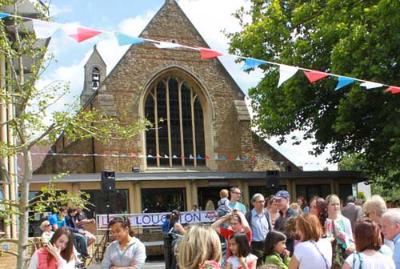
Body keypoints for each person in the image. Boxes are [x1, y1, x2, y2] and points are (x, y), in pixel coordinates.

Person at [325, 194, 354, 268]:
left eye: (337, 204)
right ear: (327, 206)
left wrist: (350, 245)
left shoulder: (345, 221)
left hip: (343, 255)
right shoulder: (325, 221)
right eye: (333, 204)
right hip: (328, 255)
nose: (336, 207)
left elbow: (351, 239)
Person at [245, 193, 272, 265]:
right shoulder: (249, 215)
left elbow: (270, 228)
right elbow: (246, 231)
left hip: (266, 243)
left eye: (263, 201)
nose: (262, 203)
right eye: (260, 201)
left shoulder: (266, 213)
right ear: (253, 203)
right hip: (255, 245)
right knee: (259, 265)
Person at [274, 190, 298, 255]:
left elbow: (294, 234)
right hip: (282, 253)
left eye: (279, 201)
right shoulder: (279, 217)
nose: (277, 203)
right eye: (276, 201)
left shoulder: (294, 215)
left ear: (287, 200)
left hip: (292, 252)